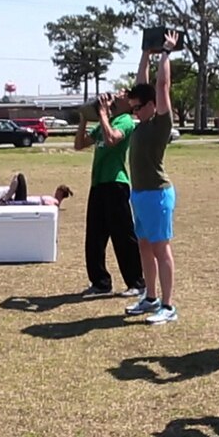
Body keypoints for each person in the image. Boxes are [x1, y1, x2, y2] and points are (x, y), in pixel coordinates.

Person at [124, 31, 178, 325]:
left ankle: (168, 306)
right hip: (140, 194)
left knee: (160, 249)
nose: (133, 111)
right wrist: (146, 53)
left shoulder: (160, 123)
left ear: (150, 106)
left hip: (158, 194)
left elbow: (161, 85)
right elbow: (142, 84)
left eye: (137, 107)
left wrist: (166, 53)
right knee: (144, 247)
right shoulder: (141, 123)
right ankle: (150, 297)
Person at [74, 90, 145, 298]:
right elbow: (79, 145)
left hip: (116, 184)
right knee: (94, 237)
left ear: (129, 103)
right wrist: (84, 119)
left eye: (121, 94)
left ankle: (137, 282)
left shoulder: (125, 120)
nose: (116, 95)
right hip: (98, 184)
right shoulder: (105, 121)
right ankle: (100, 283)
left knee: (123, 235)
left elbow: (113, 139)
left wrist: (103, 114)